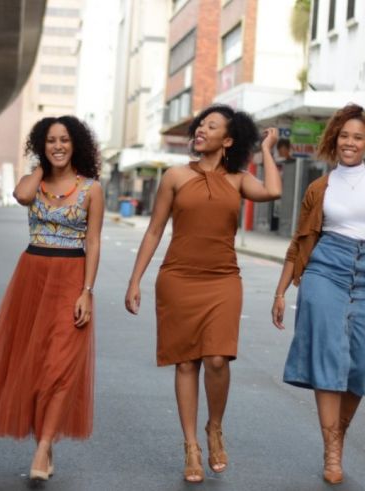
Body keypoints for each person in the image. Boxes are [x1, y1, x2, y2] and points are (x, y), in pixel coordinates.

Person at [124, 104, 282, 483]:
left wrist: (266, 149)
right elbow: (154, 230)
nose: (201, 130)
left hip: (223, 279)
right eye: (201, 125)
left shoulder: (239, 180)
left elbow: (274, 190)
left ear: (228, 140)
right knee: (185, 364)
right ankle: (191, 446)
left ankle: (215, 427)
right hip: (178, 278)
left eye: (211, 127)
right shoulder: (175, 176)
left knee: (216, 359)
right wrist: (135, 280)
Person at [0, 115, 104, 481]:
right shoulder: (33, 183)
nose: (58, 146)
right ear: (41, 146)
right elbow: (21, 196)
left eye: (64, 140)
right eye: (50, 140)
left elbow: (93, 241)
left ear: (76, 144)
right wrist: (41, 166)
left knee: (60, 367)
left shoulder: (91, 189)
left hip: (71, 278)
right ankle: (45, 442)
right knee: (36, 367)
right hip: (32, 278)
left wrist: (87, 291)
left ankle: (43, 446)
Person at [271, 104, 365, 485]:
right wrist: (281, 291)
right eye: (345, 136)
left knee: (359, 365)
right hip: (325, 269)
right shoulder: (320, 188)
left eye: (358, 137)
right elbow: (300, 242)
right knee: (328, 358)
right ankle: (331, 449)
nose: (350, 143)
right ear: (335, 139)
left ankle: (339, 433)